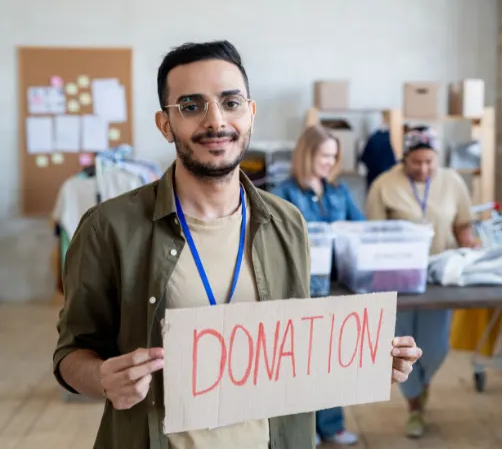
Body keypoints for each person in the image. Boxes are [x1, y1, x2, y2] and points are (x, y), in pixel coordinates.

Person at [52, 40, 423, 449]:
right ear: (165, 124)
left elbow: (296, 351)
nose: (216, 122)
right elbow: (71, 354)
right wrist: (104, 379)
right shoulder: (109, 229)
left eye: (230, 103)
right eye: (191, 106)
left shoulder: (287, 223)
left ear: (250, 113)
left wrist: (366, 361)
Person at [366, 126, 476, 439]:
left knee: (437, 347)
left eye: (430, 162)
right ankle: (414, 407)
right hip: (397, 279)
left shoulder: (452, 181)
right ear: (405, 158)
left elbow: (463, 226)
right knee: (401, 348)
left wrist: (473, 253)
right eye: (416, 162)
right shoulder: (384, 185)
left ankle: (423, 385)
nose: (424, 169)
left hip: (439, 277)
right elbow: (372, 237)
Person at [272, 125, 364, 447]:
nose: (330, 162)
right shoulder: (283, 194)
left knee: (331, 359)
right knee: (300, 361)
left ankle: (331, 425)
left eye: (334, 156)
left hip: (336, 287)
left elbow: (360, 229)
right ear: (307, 153)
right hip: (298, 288)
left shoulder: (339, 192)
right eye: (324, 155)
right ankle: (302, 426)